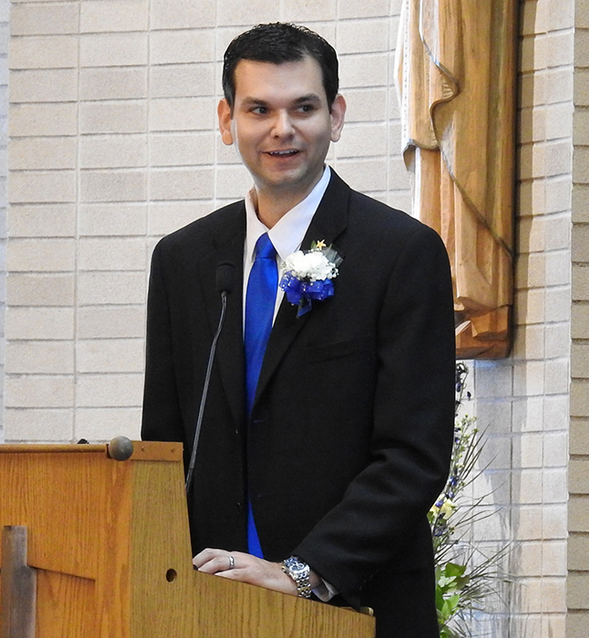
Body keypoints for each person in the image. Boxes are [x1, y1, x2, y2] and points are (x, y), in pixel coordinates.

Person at [141, 22, 455, 637]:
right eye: (259, 109)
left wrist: (303, 572)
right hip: (209, 605)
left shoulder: (400, 253)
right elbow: (163, 444)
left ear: (335, 116)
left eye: (303, 108)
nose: (282, 129)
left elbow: (413, 456)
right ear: (228, 120)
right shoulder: (183, 260)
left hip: (353, 605)